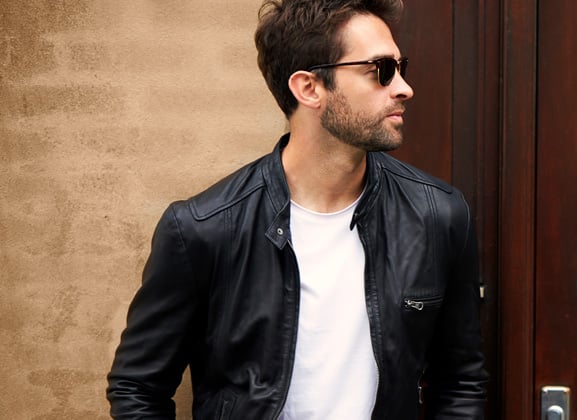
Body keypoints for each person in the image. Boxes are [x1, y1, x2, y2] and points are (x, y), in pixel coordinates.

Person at [106, 0, 488, 418]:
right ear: (309, 88)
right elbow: (137, 389)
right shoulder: (204, 229)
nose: (403, 87)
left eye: (401, 67)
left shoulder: (437, 216)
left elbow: (459, 381)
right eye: (381, 70)